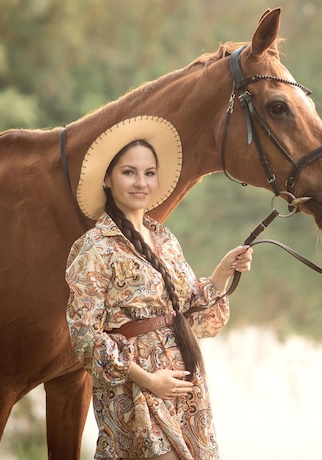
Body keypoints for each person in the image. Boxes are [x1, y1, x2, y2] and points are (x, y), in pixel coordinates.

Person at [65, 116, 253, 460]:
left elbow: (191, 318)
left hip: (184, 384)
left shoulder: (164, 239)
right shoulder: (95, 247)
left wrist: (223, 271)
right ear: (107, 179)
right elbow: (84, 337)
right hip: (135, 391)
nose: (141, 182)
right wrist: (147, 379)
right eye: (129, 172)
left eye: (149, 173)